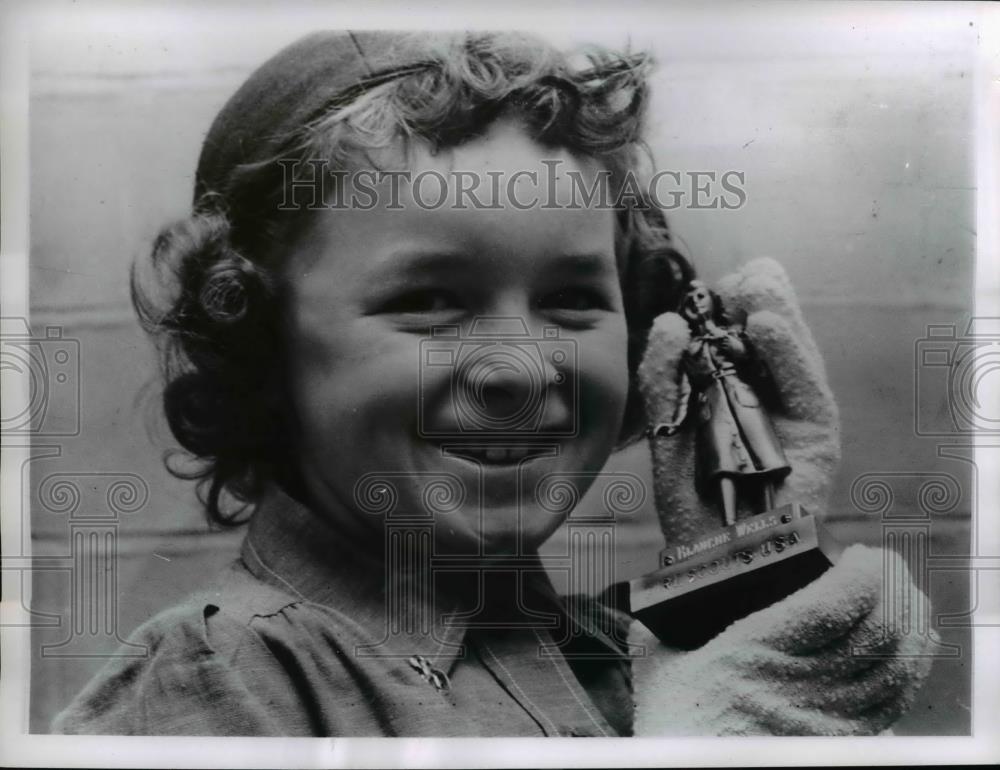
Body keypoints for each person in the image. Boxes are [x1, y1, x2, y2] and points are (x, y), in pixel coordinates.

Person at [52, 30, 932, 737]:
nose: (519, 368)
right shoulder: (223, 687)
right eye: (428, 300)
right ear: (264, 347)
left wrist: (742, 577)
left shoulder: (632, 655)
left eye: (570, 299)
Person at [655, 279, 792, 525]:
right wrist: (675, 423)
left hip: (742, 398)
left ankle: (769, 519)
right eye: (689, 301)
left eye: (700, 296)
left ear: (713, 300)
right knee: (721, 464)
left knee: (760, 457)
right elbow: (686, 392)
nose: (695, 303)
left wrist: (736, 346)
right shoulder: (691, 350)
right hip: (712, 406)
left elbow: (756, 366)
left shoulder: (733, 335)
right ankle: (728, 526)